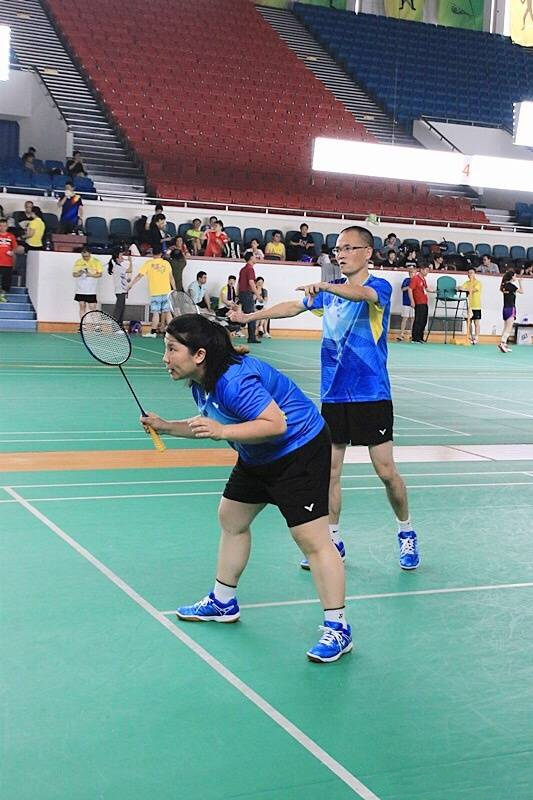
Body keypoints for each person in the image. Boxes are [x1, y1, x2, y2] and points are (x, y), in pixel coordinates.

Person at [141, 314, 352, 663]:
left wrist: (223, 432)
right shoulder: (201, 382)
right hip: (258, 453)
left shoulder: (234, 382)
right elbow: (209, 425)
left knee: (312, 540)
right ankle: (223, 601)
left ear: (199, 355)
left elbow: (275, 424)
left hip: (299, 450)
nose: (165, 358)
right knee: (232, 518)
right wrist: (166, 426)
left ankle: (339, 628)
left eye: (172, 349)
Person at [230, 225, 419, 572]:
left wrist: (327, 286)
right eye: (338, 249)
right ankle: (333, 541)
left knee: (386, 471)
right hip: (333, 395)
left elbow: (361, 295)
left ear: (367, 252)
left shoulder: (379, 287)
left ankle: (406, 531)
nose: (341, 254)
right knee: (330, 472)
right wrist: (249, 316)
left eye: (348, 248)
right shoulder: (329, 293)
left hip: (372, 394)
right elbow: (292, 307)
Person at [129, 244, 176, 337]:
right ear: (161, 254)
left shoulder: (148, 263)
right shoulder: (166, 263)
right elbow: (171, 278)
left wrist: (131, 284)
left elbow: (139, 276)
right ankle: (172, 333)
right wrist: (174, 289)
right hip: (167, 291)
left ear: (152, 253)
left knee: (156, 313)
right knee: (168, 312)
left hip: (155, 292)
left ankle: (153, 333)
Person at [238, 253, 262, 344]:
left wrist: (238, 295)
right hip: (247, 294)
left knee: (247, 314)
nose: (256, 258)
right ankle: (251, 337)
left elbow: (239, 283)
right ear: (251, 258)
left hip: (242, 293)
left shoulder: (243, 269)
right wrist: (258, 295)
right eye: (255, 256)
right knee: (251, 315)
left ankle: (250, 335)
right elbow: (251, 282)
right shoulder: (250, 269)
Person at [72, 247, 102, 319]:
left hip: (91, 290)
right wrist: (80, 272)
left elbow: (100, 274)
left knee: (92, 307)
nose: (85, 258)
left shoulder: (96, 261)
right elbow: (74, 274)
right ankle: (83, 323)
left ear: (90, 254)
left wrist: (90, 275)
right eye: (83, 256)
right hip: (80, 289)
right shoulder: (78, 262)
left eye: (87, 256)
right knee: (82, 306)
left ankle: (95, 324)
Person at [498, 269, 523, 353]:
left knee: (505, 327)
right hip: (511, 308)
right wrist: (520, 282)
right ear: (512, 277)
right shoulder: (511, 286)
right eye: (515, 276)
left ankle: (503, 344)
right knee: (508, 328)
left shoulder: (504, 285)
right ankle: (502, 343)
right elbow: (522, 291)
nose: (516, 277)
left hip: (505, 309)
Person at [107, 249, 132, 327]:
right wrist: (130, 261)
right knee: (119, 309)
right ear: (117, 258)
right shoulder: (118, 268)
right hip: (120, 291)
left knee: (121, 309)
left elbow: (122, 279)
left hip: (122, 291)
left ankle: (120, 326)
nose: (123, 257)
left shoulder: (119, 267)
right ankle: (115, 326)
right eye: (121, 256)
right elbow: (130, 270)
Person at [460, 268, 482, 345]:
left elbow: (474, 289)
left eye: (472, 273)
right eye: (469, 273)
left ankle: (476, 338)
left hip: (476, 305)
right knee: (468, 322)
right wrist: (461, 288)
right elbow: (461, 288)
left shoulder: (478, 283)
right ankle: (469, 337)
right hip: (468, 305)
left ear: (474, 274)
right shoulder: (467, 282)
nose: (470, 274)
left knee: (476, 322)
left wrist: (466, 289)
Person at [410, 265, 432, 343]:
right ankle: (415, 337)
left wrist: (434, 291)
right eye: (426, 270)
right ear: (422, 270)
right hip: (418, 302)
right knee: (418, 320)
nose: (427, 272)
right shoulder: (415, 278)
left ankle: (420, 337)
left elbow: (426, 288)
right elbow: (410, 289)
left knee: (424, 320)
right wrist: (412, 301)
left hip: (424, 302)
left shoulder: (423, 279)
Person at [0, 218, 19, 299]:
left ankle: (4, 294)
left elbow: (15, 247)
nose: (2, 227)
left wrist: (12, 252)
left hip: (7, 262)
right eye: (0, 226)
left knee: (6, 279)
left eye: (4, 226)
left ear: (7, 226)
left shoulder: (11, 236)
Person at [396, 267, 416, 342]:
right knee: (405, 318)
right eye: (411, 273)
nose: (412, 274)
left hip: (414, 302)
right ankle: (401, 334)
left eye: (413, 273)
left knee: (413, 318)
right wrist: (409, 287)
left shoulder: (416, 281)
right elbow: (402, 289)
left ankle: (412, 334)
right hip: (406, 302)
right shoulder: (406, 280)